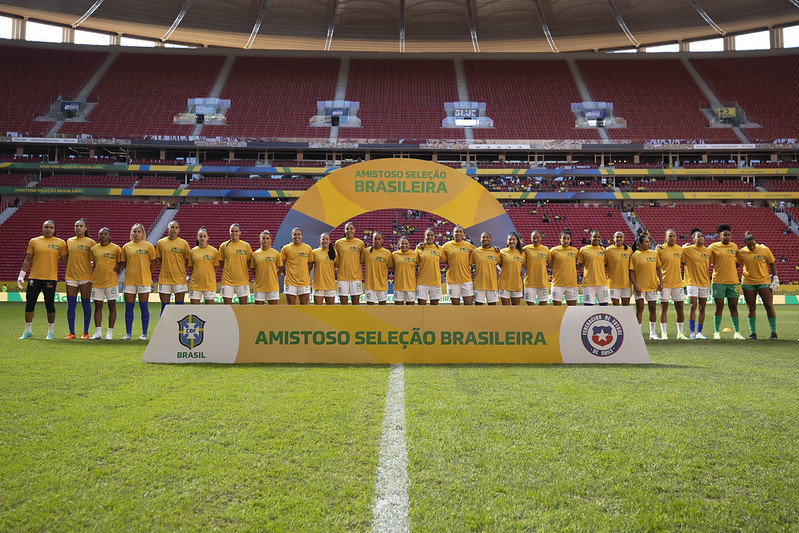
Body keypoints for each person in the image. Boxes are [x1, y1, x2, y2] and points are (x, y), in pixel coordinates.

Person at [17, 219, 67, 340]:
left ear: (54, 230)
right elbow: (28, 259)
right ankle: (28, 331)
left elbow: (65, 260)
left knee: (49, 305)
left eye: (51, 227)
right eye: (46, 227)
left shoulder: (60, 243)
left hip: (50, 278)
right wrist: (21, 275)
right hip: (34, 277)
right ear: (42, 228)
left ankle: (50, 332)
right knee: (30, 304)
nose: (48, 229)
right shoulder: (34, 241)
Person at [738, 233, 778, 340]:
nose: (751, 247)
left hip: (763, 281)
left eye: (753, 244)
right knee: (751, 307)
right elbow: (736, 264)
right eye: (749, 245)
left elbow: (772, 264)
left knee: (769, 305)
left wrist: (775, 278)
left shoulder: (764, 249)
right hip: (748, 282)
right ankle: (753, 333)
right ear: (745, 244)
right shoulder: (741, 252)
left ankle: (774, 333)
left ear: (756, 241)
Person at [120, 223, 156, 340]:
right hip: (130, 281)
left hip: (144, 280)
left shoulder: (148, 246)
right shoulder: (126, 247)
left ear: (143, 233)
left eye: (138, 231)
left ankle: (144, 334)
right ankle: (128, 333)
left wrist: (147, 273)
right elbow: (124, 263)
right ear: (131, 233)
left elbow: (153, 262)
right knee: (129, 307)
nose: (136, 234)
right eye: (134, 231)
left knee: (143, 306)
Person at [708, 224, 745, 339]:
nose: (727, 237)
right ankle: (716, 332)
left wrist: (732, 269)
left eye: (729, 235)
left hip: (733, 282)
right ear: (719, 236)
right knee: (719, 307)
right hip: (718, 281)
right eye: (725, 235)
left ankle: (737, 332)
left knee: (733, 306)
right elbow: (709, 262)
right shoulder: (713, 247)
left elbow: (739, 261)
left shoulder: (734, 247)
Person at [64, 218, 95, 340]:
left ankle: (85, 332)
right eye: (76, 226)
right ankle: (71, 332)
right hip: (71, 276)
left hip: (86, 277)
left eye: (81, 226)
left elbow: (95, 259)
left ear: (86, 228)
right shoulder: (69, 241)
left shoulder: (91, 242)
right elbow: (65, 257)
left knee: (85, 303)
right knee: (71, 304)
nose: (78, 228)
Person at [89, 227, 122, 340]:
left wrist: (117, 270)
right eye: (101, 234)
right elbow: (91, 263)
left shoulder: (116, 249)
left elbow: (120, 262)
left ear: (110, 236)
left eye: (105, 234)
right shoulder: (94, 249)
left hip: (111, 282)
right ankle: (98, 332)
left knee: (112, 306)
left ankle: (110, 332)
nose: (103, 236)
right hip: (97, 282)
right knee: (98, 307)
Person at [629, 234, 663, 341]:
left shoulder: (654, 254)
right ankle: (637, 333)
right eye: (646, 242)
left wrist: (661, 282)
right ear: (640, 244)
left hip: (652, 286)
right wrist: (635, 285)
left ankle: (652, 333)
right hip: (640, 287)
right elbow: (631, 273)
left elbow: (658, 269)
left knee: (652, 309)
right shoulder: (635, 255)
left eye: (649, 242)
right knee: (640, 309)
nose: (649, 243)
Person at [657, 229, 687, 340]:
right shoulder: (660, 250)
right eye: (670, 236)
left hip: (678, 283)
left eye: (674, 236)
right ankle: (664, 333)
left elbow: (684, 263)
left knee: (680, 308)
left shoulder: (680, 250)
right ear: (665, 237)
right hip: (664, 283)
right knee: (663, 307)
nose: (672, 238)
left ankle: (680, 333)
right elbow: (656, 266)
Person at [155, 220, 191, 314]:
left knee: (179, 307)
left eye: (176, 227)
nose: (174, 229)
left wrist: (181, 270)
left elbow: (188, 260)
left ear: (179, 230)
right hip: (164, 278)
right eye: (172, 227)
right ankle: (164, 328)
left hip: (179, 279)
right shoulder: (161, 243)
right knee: (164, 307)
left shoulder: (184, 243)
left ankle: (178, 328)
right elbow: (160, 259)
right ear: (168, 229)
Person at [681, 228, 711, 339]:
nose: (701, 238)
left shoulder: (708, 251)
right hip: (692, 282)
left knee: (702, 307)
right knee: (692, 306)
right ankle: (692, 332)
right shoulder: (687, 250)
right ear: (693, 239)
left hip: (705, 283)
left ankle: (699, 332)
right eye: (698, 236)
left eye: (702, 236)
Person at [219, 223, 253, 305]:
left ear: (240, 232)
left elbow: (249, 261)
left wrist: (241, 269)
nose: (234, 233)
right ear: (229, 232)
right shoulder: (224, 246)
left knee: (243, 307)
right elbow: (221, 262)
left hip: (242, 280)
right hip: (227, 281)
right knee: (227, 308)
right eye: (232, 231)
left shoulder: (246, 245)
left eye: (236, 231)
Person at [442, 225, 475, 305]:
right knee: (455, 307)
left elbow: (481, 252)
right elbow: (435, 251)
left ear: (463, 234)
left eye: (460, 231)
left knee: (468, 305)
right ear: (453, 233)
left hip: (466, 280)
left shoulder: (469, 246)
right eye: (456, 231)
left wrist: (493, 248)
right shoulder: (446, 246)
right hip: (452, 281)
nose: (458, 233)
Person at [280, 227, 313, 304]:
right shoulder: (285, 248)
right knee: (291, 306)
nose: (297, 236)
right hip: (290, 282)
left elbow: (310, 264)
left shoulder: (308, 248)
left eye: (299, 234)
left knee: (304, 306)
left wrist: (304, 273)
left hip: (304, 282)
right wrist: (287, 274)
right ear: (292, 236)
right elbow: (281, 264)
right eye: (295, 234)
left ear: (302, 236)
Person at [334, 221, 364, 305]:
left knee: (356, 304)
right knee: (343, 304)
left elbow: (361, 259)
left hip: (356, 277)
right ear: (344, 230)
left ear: (355, 230)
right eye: (347, 229)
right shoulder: (338, 243)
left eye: (351, 229)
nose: (349, 230)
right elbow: (336, 259)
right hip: (342, 277)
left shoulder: (360, 243)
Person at [577, 230, 609, 306]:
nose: (597, 238)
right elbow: (579, 265)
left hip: (602, 283)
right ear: (590, 238)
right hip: (589, 283)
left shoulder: (603, 250)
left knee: (604, 307)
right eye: (594, 237)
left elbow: (606, 264)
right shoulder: (583, 250)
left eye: (598, 237)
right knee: (588, 308)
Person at [188, 227, 219, 305]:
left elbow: (216, 267)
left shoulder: (214, 251)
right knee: (195, 310)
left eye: (204, 236)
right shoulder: (192, 251)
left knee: (209, 311)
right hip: (195, 285)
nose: (202, 238)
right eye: (200, 236)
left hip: (209, 285)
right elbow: (191, 267)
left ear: (208, 238)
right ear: (197, 238)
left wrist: (209, 275)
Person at [251, 230, 283, 305]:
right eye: (263, 238)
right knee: (259, 311)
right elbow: (252, 268)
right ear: (260, 240)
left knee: (272, 311)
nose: (265, 240)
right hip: (259, 287)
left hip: (272, 286)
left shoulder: (276, 253)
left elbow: (281, 267)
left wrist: (275, 275)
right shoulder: (255, 254)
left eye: (267, 238)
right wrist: (258, 276)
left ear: (271, 240)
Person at [549, 229, 579, 306]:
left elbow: (580, 263)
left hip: (572, 284)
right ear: (560, 239)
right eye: (564, 238)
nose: (566, 240)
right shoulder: (553, 250)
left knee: (572, 309)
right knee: (556, 309)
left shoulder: (575, 250)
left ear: (570, 240)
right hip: (557, 284)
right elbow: (548, 263)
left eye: (568, 238)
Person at [362, 232, 393, 305]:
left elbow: (391, 266)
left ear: (382, 240)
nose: (377, 241)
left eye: (379, 239)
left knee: (382, 308)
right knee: (370, 308)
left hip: (382, 285)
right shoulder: (366, 251)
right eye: (375, 239)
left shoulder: (387, 253)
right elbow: (361, 262)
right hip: (370, 284)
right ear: (372, 240)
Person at [470, 232, 500, 305]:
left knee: (492, 308)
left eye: (487, 237)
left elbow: (503, 265)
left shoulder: (496, 252)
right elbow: (468, 263)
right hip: (479, 284)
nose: (485, 239)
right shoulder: (475, 252)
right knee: (478, 308)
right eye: (483, 237)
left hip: (492, 284)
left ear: (490, 239)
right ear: (480, 239)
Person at [417, 228, 445, 305]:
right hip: (422, 282)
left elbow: (446, 260)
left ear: (434, 237)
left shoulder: (439, 248)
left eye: (431, 235)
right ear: (424, 236)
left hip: (435, 282)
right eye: (428, 235)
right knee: (422, 309)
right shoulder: (419, 249)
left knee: (434, 309)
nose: (430, 237)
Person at [522, 230, 550, 306]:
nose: (536, 240)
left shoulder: (546, 250)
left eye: (537, 238)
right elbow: (521, 262)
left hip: (542, 282)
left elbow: (551, 264)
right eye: (533, 238)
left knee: (543, 308)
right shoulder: (526, 249)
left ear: (541, 238)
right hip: (530, 282)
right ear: (531, 239)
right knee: (530, 308)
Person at [605, 231, 633, 306]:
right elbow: (603, 265)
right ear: (614, 239)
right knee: (615, 306)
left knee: (626, 306)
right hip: (613, 284)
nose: (619, 239)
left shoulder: (629, 250)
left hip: (626, 283)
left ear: (624, 239)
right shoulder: (608, 250)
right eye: (617, 237)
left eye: (621, 237)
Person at [498, 232, 524, 305]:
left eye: (514, 239)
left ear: (517, 241)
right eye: (510, 239)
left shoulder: (522, 253)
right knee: (506, 310)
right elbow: (499, 264)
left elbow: (524, 265)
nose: (511, 241)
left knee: (515, 311)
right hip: (504, 285)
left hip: (516, 285)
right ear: (507, 241)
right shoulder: (502, 252)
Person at [391, 236, 418, 305]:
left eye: (406, 243)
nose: (404, 245)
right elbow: (392, 267)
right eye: (402, 243)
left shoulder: (414, 254)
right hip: (398, 287)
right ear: (399, 244)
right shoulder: (394, 254)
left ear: (409, 245)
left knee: (410, 312)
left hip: (410, 287)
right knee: (399, 311)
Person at [311, 233, 337, 305]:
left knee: (330, 311)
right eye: (323, 239)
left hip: (330, 285)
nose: (325, 241)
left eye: (327, 239)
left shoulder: (334, 253)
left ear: (330, 241)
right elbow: (309, 265)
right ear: (320, 240)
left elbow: (337, 266)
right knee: (318, 311)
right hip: (318, 285)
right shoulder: (314, 252)